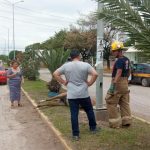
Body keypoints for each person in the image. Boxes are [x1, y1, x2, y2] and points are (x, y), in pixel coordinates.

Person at [53, 49, 99, 140]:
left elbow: (55, 74)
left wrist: (64, 82)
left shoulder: (66, 66)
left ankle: (75, 135)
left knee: (74, 114)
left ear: (71, 57)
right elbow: (95, 74)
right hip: (84, 93)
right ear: (78, 56)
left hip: (72, 94)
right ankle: (93, 128)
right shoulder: (85, 65)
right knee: (89, 110)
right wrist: (89, 83)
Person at [105, 41, 132, 128]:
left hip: (118, 83)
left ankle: (115, 123)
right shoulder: (126, 59)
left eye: (113, 51)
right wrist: (126, 80)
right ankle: (126, 120)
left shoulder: (119, 60)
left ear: (118, 51)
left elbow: (119, 72)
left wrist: (113, 85)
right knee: (124, 102)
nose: (112, 53)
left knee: (110, 102)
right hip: (125, 83)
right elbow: (129, 71)